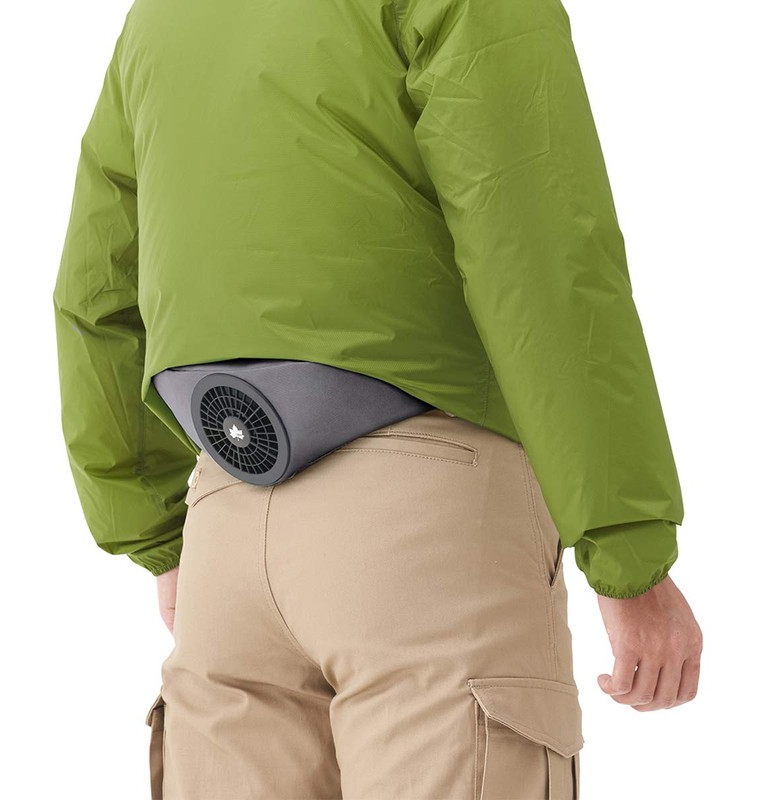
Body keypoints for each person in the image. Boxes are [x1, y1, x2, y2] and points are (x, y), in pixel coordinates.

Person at [52, 0, 703, 797]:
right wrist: (628, 554)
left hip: (224, 528)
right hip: (429, 526)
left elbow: (96, 292)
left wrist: (158, 535)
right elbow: (540, 251)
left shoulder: (162, 15)